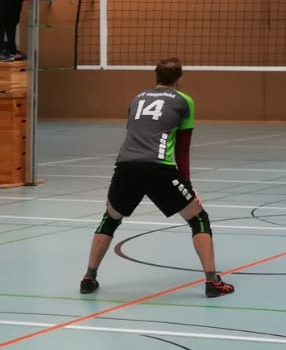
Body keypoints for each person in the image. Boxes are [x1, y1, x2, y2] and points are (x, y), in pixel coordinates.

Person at [79, 58, 233, 298]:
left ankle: (88, 278)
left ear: (156, 76)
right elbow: (182, 148)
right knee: (198, 219)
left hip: (126, 167)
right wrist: (188, 186)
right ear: (180, 78)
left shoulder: (137, 98)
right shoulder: (185, 101)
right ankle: (213, 282)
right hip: (159, 168)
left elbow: (134, 132)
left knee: (110, 218)